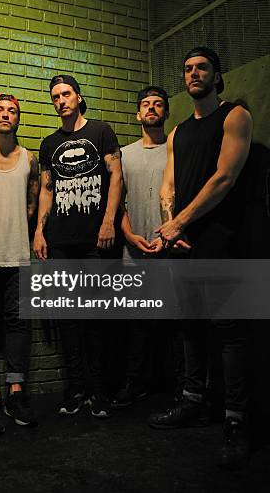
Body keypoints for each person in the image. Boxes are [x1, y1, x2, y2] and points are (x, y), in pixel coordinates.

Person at [148, 47, 253, 470]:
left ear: (217, 75)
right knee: (190, 325)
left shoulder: (235, 116)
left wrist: (180, 224)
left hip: (226, 241)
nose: (194, 73)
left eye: (202, 67)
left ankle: (237, 420)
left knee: (230, 332)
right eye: (188, 68)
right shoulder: (177, 132)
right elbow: (166, 186)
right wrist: (172, 225)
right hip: (186, 243)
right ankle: (194, 401)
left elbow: (224, 177)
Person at [33, 74, 122, 418]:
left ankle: (99, 391)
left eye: (66, 94)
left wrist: (108, 220)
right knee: (67, 318)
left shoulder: (101, 131)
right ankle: (76, 388)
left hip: (95, 241)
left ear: (78, 97)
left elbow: (117, 177)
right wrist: (40, 232)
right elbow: (46, 189)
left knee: (97, 317)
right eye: (55, 97)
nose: (61, 101)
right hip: (60, 242)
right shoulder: (48, 143)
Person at [114, 85, 183, 407]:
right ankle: (135, 384)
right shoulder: (125, 154)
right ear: (138, 113)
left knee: (176, 323)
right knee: (137, 324)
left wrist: (171, 233)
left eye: (158, 104)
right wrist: (128, 235)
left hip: (172, 250)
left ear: (166, 112)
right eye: (146, 104)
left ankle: (180, 389)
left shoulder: (178, 148)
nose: (152, 108)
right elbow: (117, 204)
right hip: (135, 251)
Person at [0, 93, 38, 434]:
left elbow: (33, 204)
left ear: (18, 119)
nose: (6, 114)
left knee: (17, 323)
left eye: (12, 111)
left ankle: (16, 391)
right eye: (0, 109)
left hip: (18, 255)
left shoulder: (28, 158)